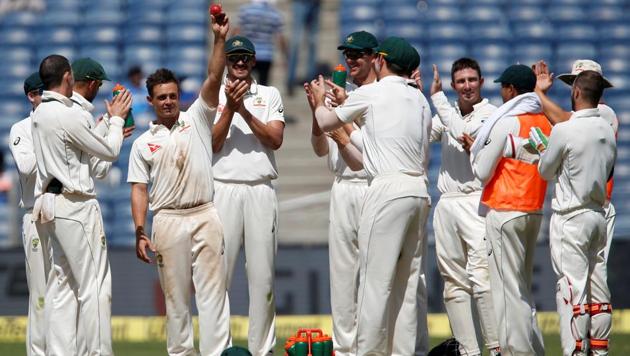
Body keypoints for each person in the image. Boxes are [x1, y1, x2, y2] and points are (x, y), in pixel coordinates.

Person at [309, 36, 432, 355]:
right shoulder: (420, 99)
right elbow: (376, 145)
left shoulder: (372, 92)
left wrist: (321, 99)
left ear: (381, 60)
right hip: (418, 190)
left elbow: (325, 122)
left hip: (386, 190)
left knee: (374, 285)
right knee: (405, 287)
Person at [128, 12, 232, 356]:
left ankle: (217, 352)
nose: (169, 101)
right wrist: (140, 230)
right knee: (175, 297)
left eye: (173, 95)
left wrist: (219, 39)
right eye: (162, 98)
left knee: (214, 293)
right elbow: (139, 188)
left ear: (179, 96)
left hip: (205, 213)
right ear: (151, 102)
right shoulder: (143, 143)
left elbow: (215, 76)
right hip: (168, 220)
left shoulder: (198, 118)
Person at [31, 54, 131, 356]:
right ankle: (98, 353)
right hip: (75, 206)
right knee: (96, 286)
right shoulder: (67, 114)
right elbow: (110, 153)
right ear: (66, 77)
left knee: (62, 284)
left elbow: (85, 160)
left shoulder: (40, 112)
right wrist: (116, 120)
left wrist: (104, 127)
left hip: (52, 203)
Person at [531, 70, 616, 356]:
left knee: (571, 290)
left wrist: (543, 147)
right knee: (598, 289)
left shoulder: (564, 130)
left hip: (572, 216)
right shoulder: (607, 128)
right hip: (597, 215)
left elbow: (545, 170)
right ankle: (600, 351)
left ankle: (575, 353)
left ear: (577, 93)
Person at [211, 34, 285, 356]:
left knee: (262, 277)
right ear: (226, 61)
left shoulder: (269, 94)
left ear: (254, 61)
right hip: (223, 188)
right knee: (218, 278)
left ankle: (262, 350)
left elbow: (275, 139)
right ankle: (217, 349)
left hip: (259, 189)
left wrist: (244, 111)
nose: (239, 63)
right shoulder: (212, 95)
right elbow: (211, 144)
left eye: (245, 58)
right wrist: (230, 106)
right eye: (233, 58)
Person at [470, 64, 550, 355]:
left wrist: (474, 151)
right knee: (523, 289)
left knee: (507, 291)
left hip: (505, 211)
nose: (501, 92)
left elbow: (480, 171)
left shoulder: (507, 122)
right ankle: (535, 349)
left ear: (511, 90)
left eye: (504, 87)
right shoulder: (544, 122)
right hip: (534, 209)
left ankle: (517, 351)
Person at [305, 30, 376, 355]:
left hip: (374, 185)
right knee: (343, 274)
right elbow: (320, 149)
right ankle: (345, 348)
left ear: (374, 57)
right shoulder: (337, 95)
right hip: (343, 187)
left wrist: (341, 111)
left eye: (358, 53)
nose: (351, 59)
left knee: (374, 272)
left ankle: (372, 345)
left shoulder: (379, 94)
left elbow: (370, 147)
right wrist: (316, 111)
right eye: (347, 54)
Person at [428, 58, 500, 356]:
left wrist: (436, 98)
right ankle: (468, 351)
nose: (467, 86)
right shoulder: (447, 114)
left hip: (476, 200)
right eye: (461, 81)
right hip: (447, 202)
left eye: (472, 80)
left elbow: (461, 134)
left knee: (482, 277)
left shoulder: (491, 115)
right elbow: (420, 134)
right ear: (454, 85)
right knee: (452, 283)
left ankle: (495, 348)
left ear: (481, 82)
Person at [534, 59, 618, 263]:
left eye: (579, 81)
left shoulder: (604, 113)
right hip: (589, 207)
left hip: (590, 207)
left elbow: (564, 121)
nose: (574, 87)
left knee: (573, 285)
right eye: (573, 81)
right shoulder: (585, 119)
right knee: (591, 286)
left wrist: (537, 93)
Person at [8, 72, 49, 356]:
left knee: (66, 290)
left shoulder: (61, 124)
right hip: (35, 213)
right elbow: (25, 167)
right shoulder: (20, 129)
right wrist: (47, 138)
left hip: (63, 210)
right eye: (41, 94)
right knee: (40, 292)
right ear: (31, 96)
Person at [234, 0, 288, 86]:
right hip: (266, 55)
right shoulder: (275, 14)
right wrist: (285, 56)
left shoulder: (245, 11)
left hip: (247, 53)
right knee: (263, 87)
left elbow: (236, 31)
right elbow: (280, 38)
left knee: (244, 85)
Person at [286, 0, 321, 94]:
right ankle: (290, 80)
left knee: (312, 42)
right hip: (300, 3)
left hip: (315, 3)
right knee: (296, 42)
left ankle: (311, 80)